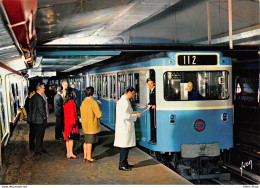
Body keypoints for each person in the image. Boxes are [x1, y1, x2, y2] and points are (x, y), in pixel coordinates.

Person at [114, 87, 142, 171]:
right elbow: (125, 116)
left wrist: (134, 113)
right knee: (124, 146)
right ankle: (122, 165)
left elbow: (126, 113)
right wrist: (135, 115)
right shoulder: (124, 102)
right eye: (132, 93)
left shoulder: (123, 100)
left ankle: (125, 163)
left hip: (124, 126)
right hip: (124, 127)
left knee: (126, 146)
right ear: (129, 92)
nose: (132, 95)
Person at [80, 86, 102, 163]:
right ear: (92, 93)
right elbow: (99, 115)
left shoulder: (83, 102)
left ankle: (85, 156)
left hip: (85, 125)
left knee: (86, 141)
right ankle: (89, 157)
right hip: (91, 126)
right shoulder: (93, 102)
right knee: (89, 142)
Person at [27, 84, 47, 154]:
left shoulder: (33, 97)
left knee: (34, 134)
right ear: (40, 89)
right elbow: (40, 109)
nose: (44, 89)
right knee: (39, 135)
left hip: (33, 119)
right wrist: (44, 117)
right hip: (39, 120)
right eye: (43, 88)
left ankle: (34, 147)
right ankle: (38, 149)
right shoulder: (39, 98)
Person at [63, 87, 79, 159]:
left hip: (66, 122)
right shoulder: (71, 102)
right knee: (71, 138)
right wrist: (74, 123)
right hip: (71, 122)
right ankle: (71, 153)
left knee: (67, 138)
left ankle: (68, 153)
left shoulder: (65, 102)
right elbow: (72, 113)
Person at [146, 78, 156, 145]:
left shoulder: (156, 91)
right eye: (148, 84)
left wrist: (154, 105)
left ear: (154, 83)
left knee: (154, 124)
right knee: (152, 124)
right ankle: (153, 138)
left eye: (151, 83)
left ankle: (154, 138)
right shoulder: (151, 90)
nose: (150, 85)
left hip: (155, 111)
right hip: (152, 110)